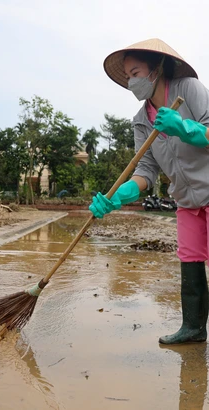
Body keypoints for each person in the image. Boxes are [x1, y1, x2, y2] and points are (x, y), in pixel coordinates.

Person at [89, 38, 209, 345]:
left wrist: (186, 128)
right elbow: (145, 173)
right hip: (186, 200)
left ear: (156, 69)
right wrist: (117, 197)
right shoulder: (142, 122)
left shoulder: (189, 90)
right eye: (128, 76)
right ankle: (193, 328)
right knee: (191, 259)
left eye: (136, 72)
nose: (132, 81)